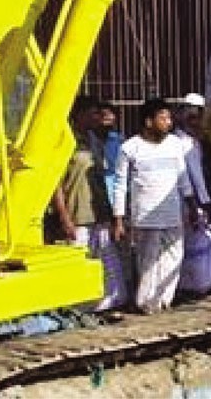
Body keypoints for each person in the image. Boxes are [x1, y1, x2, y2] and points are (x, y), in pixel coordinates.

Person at [112, 98, 191, 314]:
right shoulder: (130, 148)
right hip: (146, 217)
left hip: (173, 213)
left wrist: (191, 203)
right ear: (149, 122)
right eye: (163, 118)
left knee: (174, 257)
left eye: (169, 118)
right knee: (148, 261)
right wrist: (118, 218)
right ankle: (146, 304)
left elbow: (183, 177)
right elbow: (120, 185)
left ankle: (165, 300)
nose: (169, 122)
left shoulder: (175, 144)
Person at [52, 96, 128, 311]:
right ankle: (79, 309)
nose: (98, 117)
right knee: (81, 260)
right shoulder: (65, 142)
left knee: (106, 261)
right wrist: (64, 216)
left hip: (99, 211)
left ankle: (107, 305)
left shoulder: (94, 140)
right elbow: (55, 183)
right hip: (77, 214)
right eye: (94, 113)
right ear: (80, 115)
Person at [172, 93, 211, 296]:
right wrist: (205, 205)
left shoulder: (185, 141)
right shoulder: (185, 144)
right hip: (191, 204)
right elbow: (196, 179)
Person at [97, 101, 124, 204]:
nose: (107, 117)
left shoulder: (119, 139)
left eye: (110, 114)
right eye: (103, 114)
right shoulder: (90, 138)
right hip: (97, 178)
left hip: (113, 178)